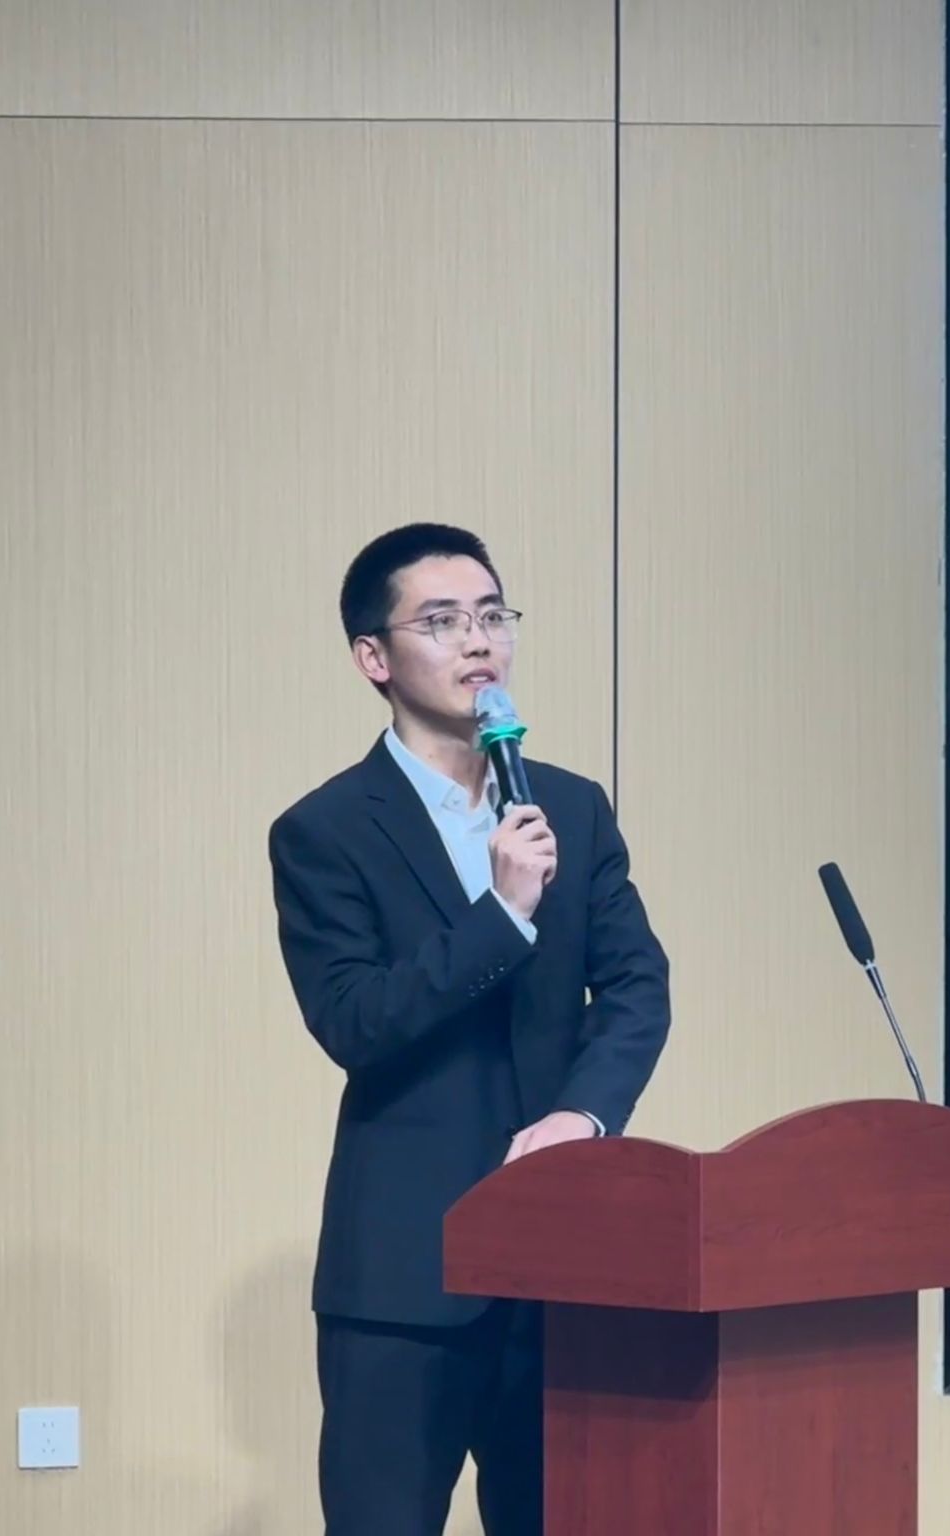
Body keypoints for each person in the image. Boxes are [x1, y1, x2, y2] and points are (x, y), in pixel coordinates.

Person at [267, 523, 671, 1535]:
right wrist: (501, 916)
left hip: (562, 1263)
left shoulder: (570, 808)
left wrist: (584, 1115)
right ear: (374, 657)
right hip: (405, 1274)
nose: (479, 641)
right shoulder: (324, 831)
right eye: (442, 622)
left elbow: (636, 985)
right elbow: (353, 1020)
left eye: (493, 615)